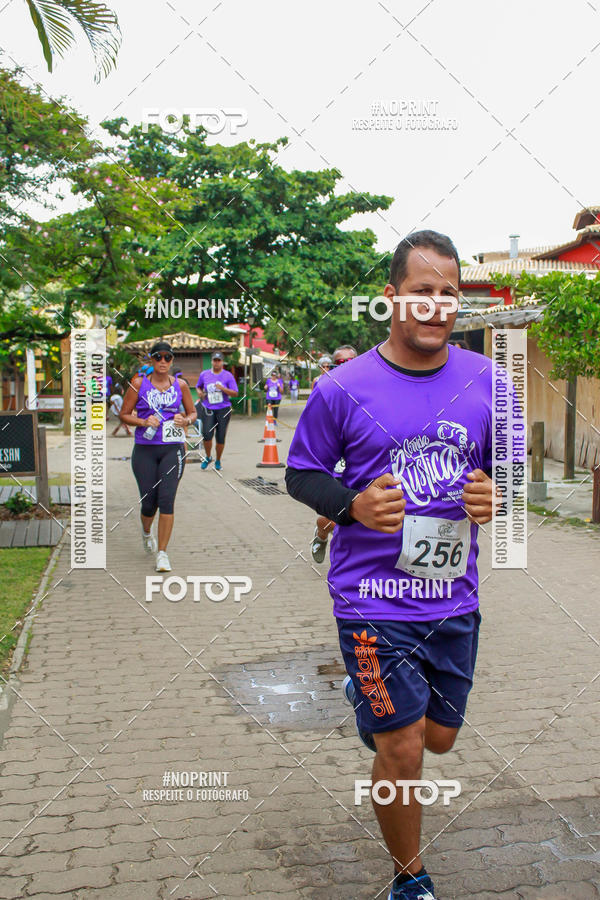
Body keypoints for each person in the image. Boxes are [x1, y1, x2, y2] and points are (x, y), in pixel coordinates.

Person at [286, 230, 497, 900]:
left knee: (440, 740)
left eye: (448, 294)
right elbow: (301, 474)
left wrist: (498, 493)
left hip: (452, 599)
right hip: (371, 600)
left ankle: (364, 696)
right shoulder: (341, 388)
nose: (436, 306)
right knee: (402, 749)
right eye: (421, 292)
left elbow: (509, 471)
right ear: (391, 298)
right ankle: (411, 878)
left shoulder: (487, 379)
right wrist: (350, 506)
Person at [120, 341, 197, 572]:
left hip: (172, 449)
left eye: (168, 357)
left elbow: (193, 412)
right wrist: (143, 421)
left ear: (172, 360)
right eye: (158, 357)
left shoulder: (180, 385)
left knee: (166, 499)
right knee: (149, 502)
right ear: (151, 360)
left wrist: (186, 420)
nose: (163, 362)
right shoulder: (138, 384)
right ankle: (146, 532)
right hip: (145, 449)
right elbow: (123, 414)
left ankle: (162, 553)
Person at [311, 345, 358, 563]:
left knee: (358, 512)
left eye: (350, 362)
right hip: (335, 461)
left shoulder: (367, 386)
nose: (345, 367)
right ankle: (322, 533)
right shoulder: (322, 387)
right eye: (340, 363)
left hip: (359, 460)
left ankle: (351, 558)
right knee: (334, 517)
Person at [196, 352, 238, 471]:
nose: (216, 362)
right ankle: (208, 456)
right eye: (215, 360)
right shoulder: (204, 374)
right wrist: (199, 392)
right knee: (207, 434)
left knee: (220, 436)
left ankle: (218, 460)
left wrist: (223, 389)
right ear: (212, 361)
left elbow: (235, 392)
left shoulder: (228, 376)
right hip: (208, 408)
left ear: (222, 362)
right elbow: (199, 386)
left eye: (219, 360)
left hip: (223, 409)